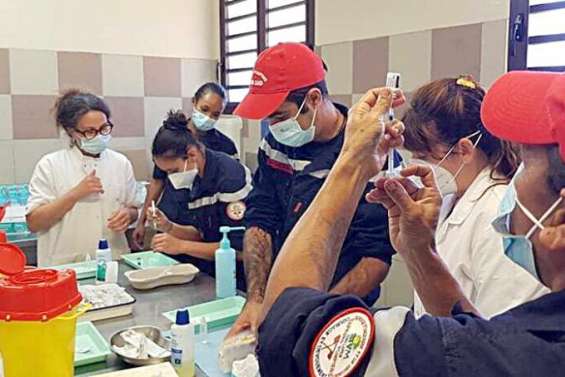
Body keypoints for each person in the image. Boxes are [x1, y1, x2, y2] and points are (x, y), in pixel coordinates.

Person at [255, 71, 565, 377]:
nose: (513, 171)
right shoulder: (525, 340)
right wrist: (419, 249)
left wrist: (351, 162)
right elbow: (480, 331)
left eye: (525, 160)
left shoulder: (525, 353)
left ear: (559, 220)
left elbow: (285, 330)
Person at [227, 43, 399, 337]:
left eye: (280, 116)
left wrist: (312, 315)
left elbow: (375, 258)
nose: (273, 126)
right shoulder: (275, 144)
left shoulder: (368, 152)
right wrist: (257, 299)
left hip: (338, 313)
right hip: (279, 302)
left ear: (314, 98)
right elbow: (261, 218)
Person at [396, 76, 547, 318]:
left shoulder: (497, 215)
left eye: (423, 156)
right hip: (447, 343)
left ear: (465, 150)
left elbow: (498, 326)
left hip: (477, 350)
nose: (415, 165)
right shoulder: (449, 199)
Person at [26, 90, 140, 266]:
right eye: (89, 132)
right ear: (71, 132)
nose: (99, 136)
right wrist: (75, 194)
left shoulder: (120, 163)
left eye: (104, 128)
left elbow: (133, 208)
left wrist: (128, 215)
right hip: (64, 266)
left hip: (112, 261)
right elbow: (34, 222)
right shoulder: (50, 165)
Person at [147, 110, 252, 289]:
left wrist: (181, 245)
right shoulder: (188, 180)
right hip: (203, 273)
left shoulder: (230, 177)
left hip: (235, 277)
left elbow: (240, 250)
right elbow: (200, 233)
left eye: (172, 171)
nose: (171, 178)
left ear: (192, 155)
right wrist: (169, 227)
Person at [133, 82, 238, 248]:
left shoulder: (225, 149)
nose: (208, 117)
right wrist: (142, 220)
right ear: (194, 102)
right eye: (204, 109)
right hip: (172, 215)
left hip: (204, 222)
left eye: (215, 114)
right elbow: (157, 181)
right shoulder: (170, 138)